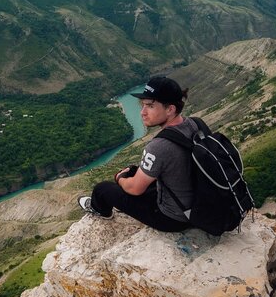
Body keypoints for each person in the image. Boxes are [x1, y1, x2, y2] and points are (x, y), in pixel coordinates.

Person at [78, 76, 197, 232]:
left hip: (173, 218)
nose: (142, 112)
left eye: (150, 106)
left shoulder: (159, 146)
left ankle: (99, 209)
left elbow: (135, 189)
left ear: (170, 109)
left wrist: (119, 179)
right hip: (197, 204)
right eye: (143, 105)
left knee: (103, 189)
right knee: (136, 171)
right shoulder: (195, 124)